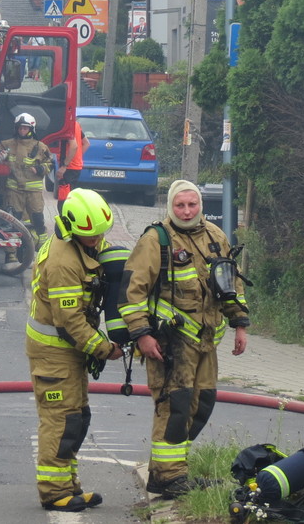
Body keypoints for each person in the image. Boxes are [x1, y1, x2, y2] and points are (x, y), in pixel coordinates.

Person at [117, 180, 250, 499]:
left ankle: (174, 470)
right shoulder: (155, 239)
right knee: (175, 406)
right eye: (180, 205)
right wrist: (143, 335)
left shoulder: (216, 237)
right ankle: (168, 476)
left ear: (200, 206)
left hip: (206, 343)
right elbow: (131, 293)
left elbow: (230, 285)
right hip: (169, 343)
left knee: (202, 404)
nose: (187, 211)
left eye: (192, 205)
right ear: (170, 207)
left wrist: (240, 323)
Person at [27, 188, 123, 512]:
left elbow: (103, 257)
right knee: (60, 420)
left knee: (77, 418)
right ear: (71, 229)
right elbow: (69, 321)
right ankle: (54, 493)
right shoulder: (63, 262)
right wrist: (104, 348)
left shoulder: (83, 242)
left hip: (68, 353)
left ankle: (69, 485)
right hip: (53, 353)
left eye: (100, 235)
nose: (98, 240)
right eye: (91, 236)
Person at [0, 112, 54, 247]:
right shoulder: (7, 145)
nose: (22, 131)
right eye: (20, 128)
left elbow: (50, 164)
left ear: (31, 129)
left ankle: (42, 245)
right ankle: (11, 254)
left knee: (37, 218)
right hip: (14, 191)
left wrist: (40, 169)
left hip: (33, 192)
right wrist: (0, 156)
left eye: (25, 128)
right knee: (13, 221)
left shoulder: (40, 147)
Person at [56, 120, 89, 208]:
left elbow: (74, 146)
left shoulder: (67, 126)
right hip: (75, 167)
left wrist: (64, 166)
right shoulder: (76, 124)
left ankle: (64, 220)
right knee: (71, 198)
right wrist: (76, 157)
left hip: (68, 168)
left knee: (64, 200)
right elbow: (86, 143)